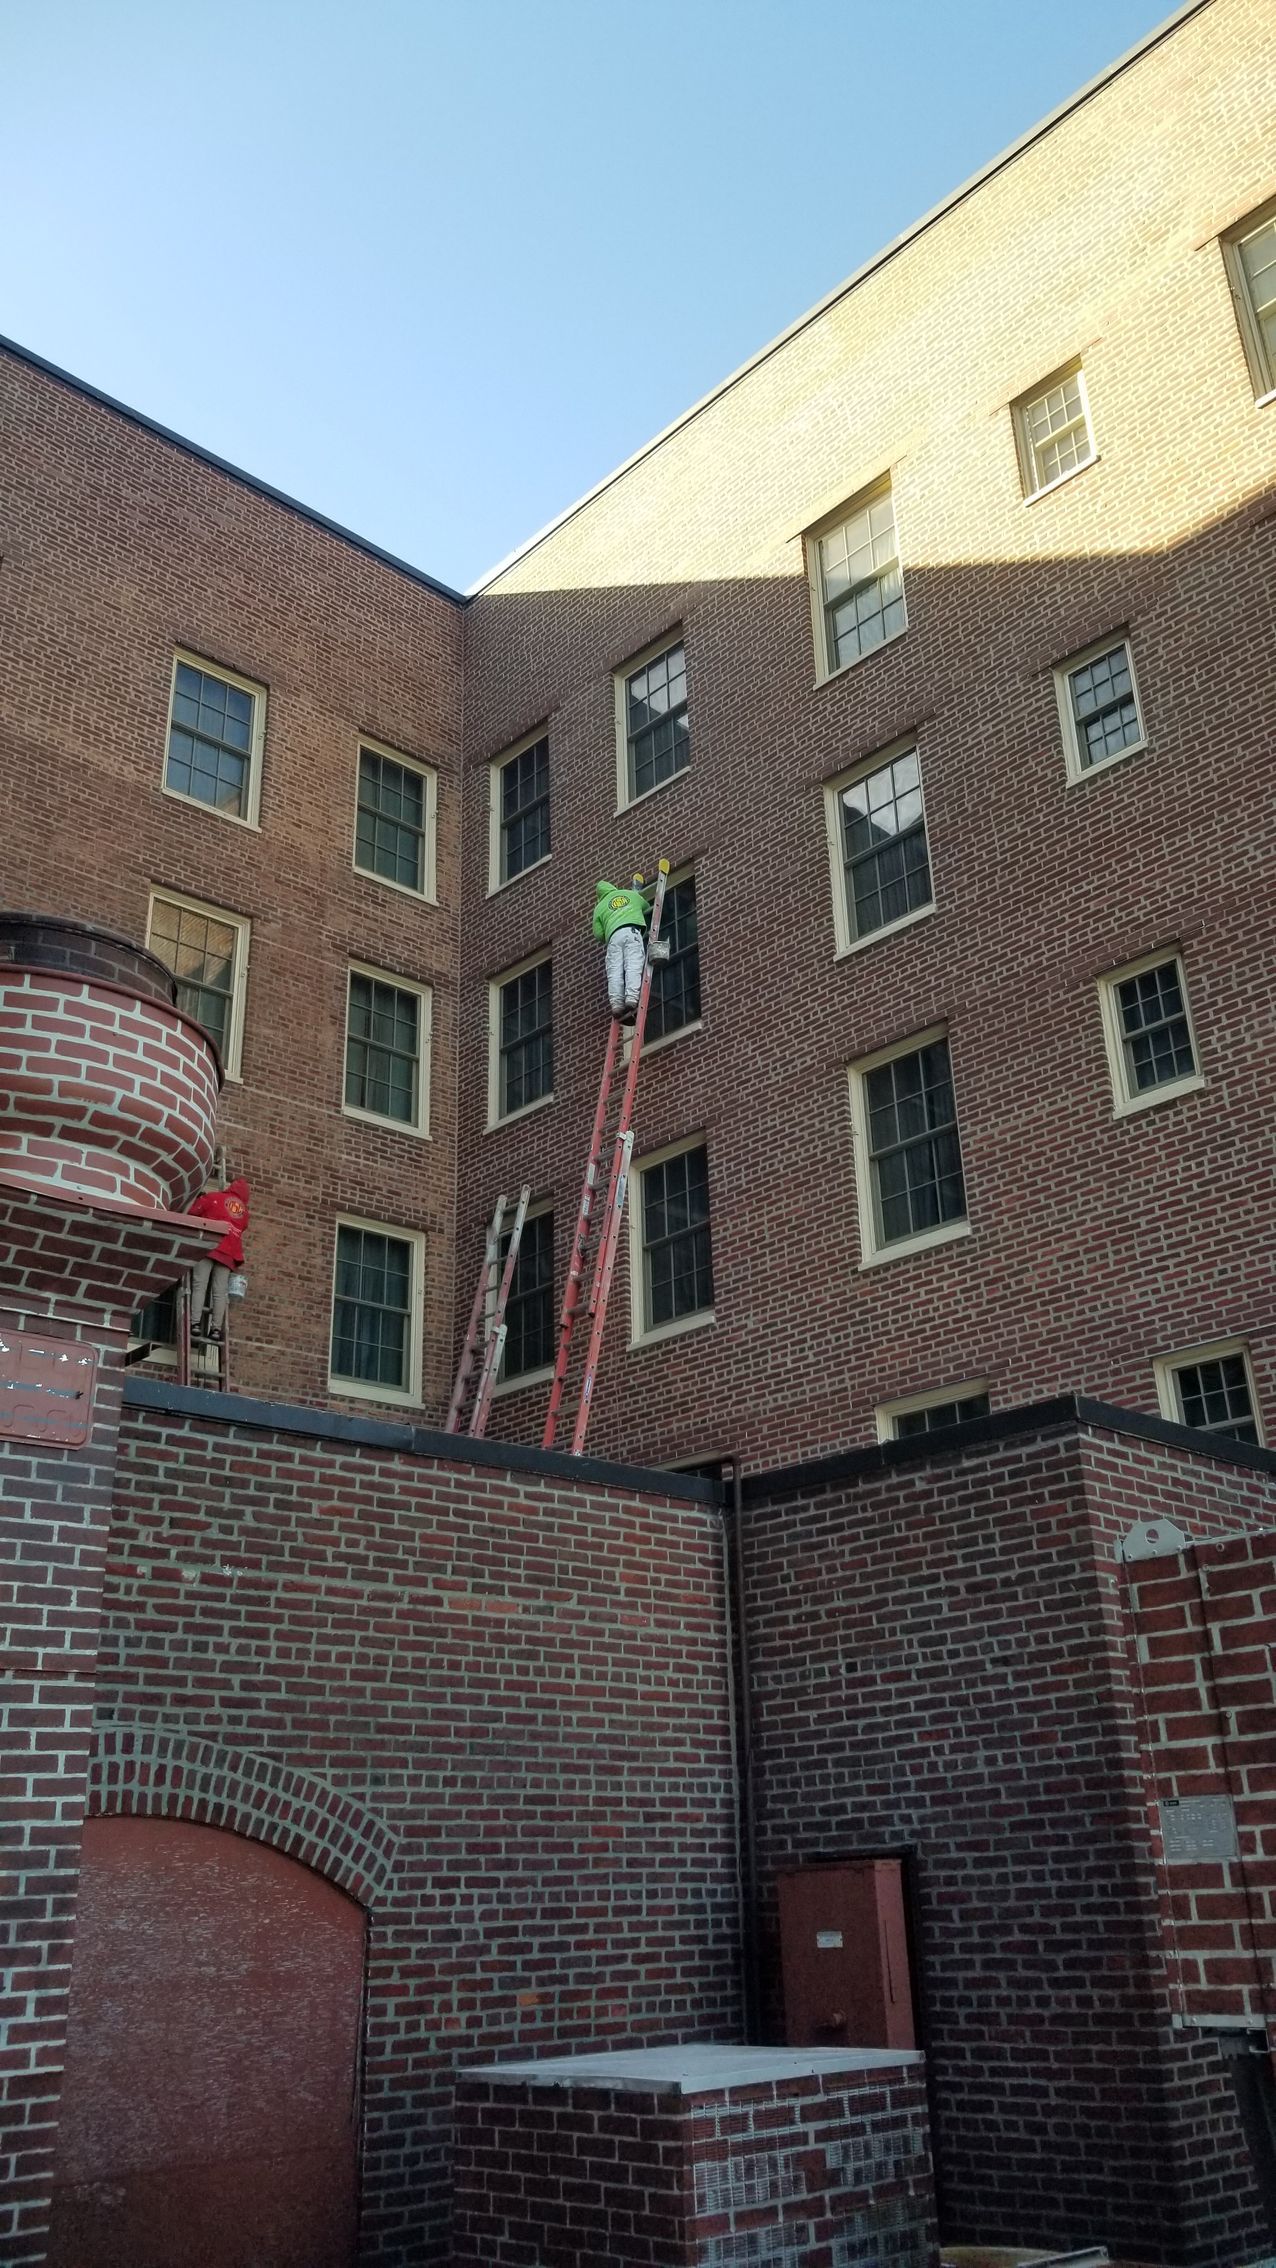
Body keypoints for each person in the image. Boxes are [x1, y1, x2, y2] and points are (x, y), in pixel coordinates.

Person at [189, 1176, 249, 1342]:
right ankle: (215, 1329)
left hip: (209, 1246)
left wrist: (199, 1197)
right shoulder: (244, 1214)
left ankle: (195, 1324)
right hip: (229, 1254)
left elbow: (193, 1212)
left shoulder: (214, 1198)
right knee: (220, 1292)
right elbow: (242, 1227)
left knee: (199, 1285)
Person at [592, 875, 651, 1018]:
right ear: (613, 888)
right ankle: (631, 998)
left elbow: (598, 934)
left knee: (614, 971)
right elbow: (645, 905)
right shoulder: (629, 894)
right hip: (631, 932)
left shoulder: (599, 908)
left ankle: (617, 1004)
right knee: (633, 964)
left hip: (613, 938)